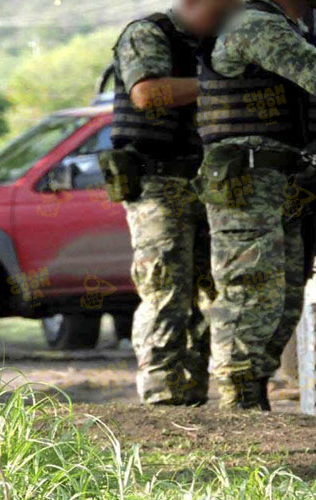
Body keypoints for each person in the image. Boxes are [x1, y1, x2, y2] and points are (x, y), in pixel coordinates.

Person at [106, 0, 239, 406]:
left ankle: (192, 389)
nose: (232, 15)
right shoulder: (148, 33)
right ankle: (163, 393)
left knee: (208, 289)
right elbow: (147, 93)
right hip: (156, 180)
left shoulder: (214, 41)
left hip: (206, 179)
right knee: (165, 287)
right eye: (224, 8)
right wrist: (224, 84)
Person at [196, 0, 316, 409]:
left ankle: (252, 397)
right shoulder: (255, 24)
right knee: (249, 291)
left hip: (283, 182)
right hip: (248, 181)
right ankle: (238, 409)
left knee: (283, 299)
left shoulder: (285, 27)